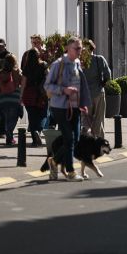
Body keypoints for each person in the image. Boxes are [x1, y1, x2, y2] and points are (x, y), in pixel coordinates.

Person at [45, 37, 91, 181]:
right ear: (68, 49)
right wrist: (63, 90)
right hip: (60, 107)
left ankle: (54, 161)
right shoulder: (58, 65)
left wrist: (83, 103)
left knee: (75, 139)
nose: (80, 51)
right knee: (69, 139)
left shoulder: (77, 63)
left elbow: (80, 85)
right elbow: (47, 86)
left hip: (75, 107)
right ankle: (70, 171)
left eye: (81, 48)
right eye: (77, 48)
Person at [82, 39, 112, 139]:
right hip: (98, 92)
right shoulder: (99, 59)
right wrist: (104, 84)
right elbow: (108, 75)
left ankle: (85, 131)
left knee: (86, 117)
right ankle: (98, 140)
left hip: (85, 94)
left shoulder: (80, 62)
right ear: (93, 47)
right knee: (99, 118)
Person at [20, 45, 48, 146]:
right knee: (43, 114)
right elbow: (48, 78)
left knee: (32, 117)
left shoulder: (26, 68)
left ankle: (34, 140)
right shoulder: (44, 65)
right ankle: (39, 131)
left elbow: (23, 83)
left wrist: (21, 97)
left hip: (29, 94)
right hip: (41, 94)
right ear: (38, 55)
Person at [0, 54, 23, 145]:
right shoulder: (18, 71)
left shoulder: (1, 72)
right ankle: (9, 135)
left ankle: (9, 136)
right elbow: (22, 83)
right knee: (13, 119)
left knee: (6, 119)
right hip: (14, 99)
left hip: (3, 100)